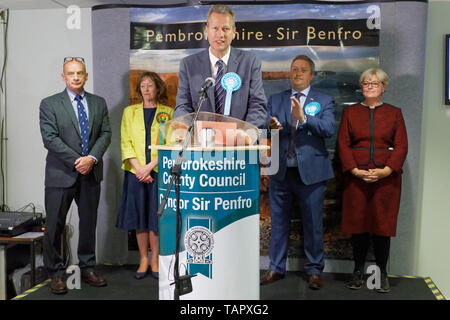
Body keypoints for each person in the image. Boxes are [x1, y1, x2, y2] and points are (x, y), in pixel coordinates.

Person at [260, 55, 335, 290]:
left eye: (303, 70)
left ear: (311, 75)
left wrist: (305, 118)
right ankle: (275, 267)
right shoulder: (276, 99)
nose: (297, 73)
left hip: (312, 175)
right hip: (281, 173)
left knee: (313, 224)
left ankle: (314, 270)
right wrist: (269, 126)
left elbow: (329, 128)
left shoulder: (324, 100)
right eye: (294, 69)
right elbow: (263, 126)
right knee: (278, 223)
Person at [39, 57, 112, 294]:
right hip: (60, 174)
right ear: (63, 76)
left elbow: (106, 133)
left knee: (88, 223)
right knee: (54, 225)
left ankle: (88, 267)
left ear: (86, 75)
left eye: (80, 73)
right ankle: (56, 274)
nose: (76, 77)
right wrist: (77, 161)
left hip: (90, 173)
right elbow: (50, 138)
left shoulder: (98, 102)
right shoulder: (49, 104)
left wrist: (91, 158)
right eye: (71, 73)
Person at [337, 68, 408, 293]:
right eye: (366, 83)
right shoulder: (350, 113)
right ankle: (357, 272)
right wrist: (355, 171)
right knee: (357, 225)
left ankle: (381, 274)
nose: (369, 87)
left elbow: (401, 146)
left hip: (386, 179)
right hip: (356, 177)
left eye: (375, 83)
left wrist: (386, 170)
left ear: (383, 87)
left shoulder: (395, 113)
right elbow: (343, 144)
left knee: (382, 226)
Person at [116, 72, 173, 280]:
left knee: (154, 217)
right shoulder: (129, 112)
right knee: (140, 217)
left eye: (150, 86)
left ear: (158, 88)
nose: (146, 89)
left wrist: (150, 167)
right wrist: (140, 168)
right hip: (135, 173)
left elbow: (170, 143)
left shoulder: (169, 112)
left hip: (158, 171)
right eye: (143, 86)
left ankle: (155, 259)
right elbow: (125, 142)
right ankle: (142, 259)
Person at [174, 4, 267, 128]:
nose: (220, 34)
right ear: (206, 31)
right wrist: (183, 126)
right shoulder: (188, 65)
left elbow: (258, 105)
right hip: (201, 143)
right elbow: (182, 106)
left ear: (233, 32)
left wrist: (245, 133)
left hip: (239, 142)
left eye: (225, 29)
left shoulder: (250, 62)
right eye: (215, 28)